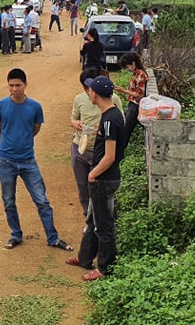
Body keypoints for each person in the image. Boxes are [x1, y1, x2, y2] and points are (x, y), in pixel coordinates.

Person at [0, 68, 73, 252]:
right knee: (8, 200)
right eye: (11, 85)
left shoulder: (35, 107)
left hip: (28, 161)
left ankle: (52, 237)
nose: (14, 89)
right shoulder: (0, 106)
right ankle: (15, 234)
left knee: (42, 201)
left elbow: (35, 129)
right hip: (6, 161)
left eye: (18, 85)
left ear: (25, 85)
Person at [66, 75, 125, 281]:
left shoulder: (110, 120)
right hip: (104, 177)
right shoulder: (112, 115)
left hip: (104, 179)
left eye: (90, 90)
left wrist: (93, 173)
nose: (88, 92)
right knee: (93, 219)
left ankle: (105, 267)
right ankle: (84, 257)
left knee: (103, 224)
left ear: (95, 94)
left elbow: (109, 156)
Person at [70, 68, 123, 217]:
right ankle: (89, 216)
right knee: (82, 185)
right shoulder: (79, 99)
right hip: (81, 147)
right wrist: (76, 124)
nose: (89, 92)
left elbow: (119, 125)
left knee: (99, 187)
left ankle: (103, 218)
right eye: (86, 88)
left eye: (91, 87)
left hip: (101, 152)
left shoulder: (113, 101)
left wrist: (102, 130)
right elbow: (73, 118)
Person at [114, 51, 148, 150]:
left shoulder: (141, 75)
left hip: (136, 105)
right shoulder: (135, 74)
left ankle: (120, 151)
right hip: (132, 104)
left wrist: (123, 90)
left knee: (126, 130)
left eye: (127, 66)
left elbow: (139, 95)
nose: (127, 69)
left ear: (133, 63)